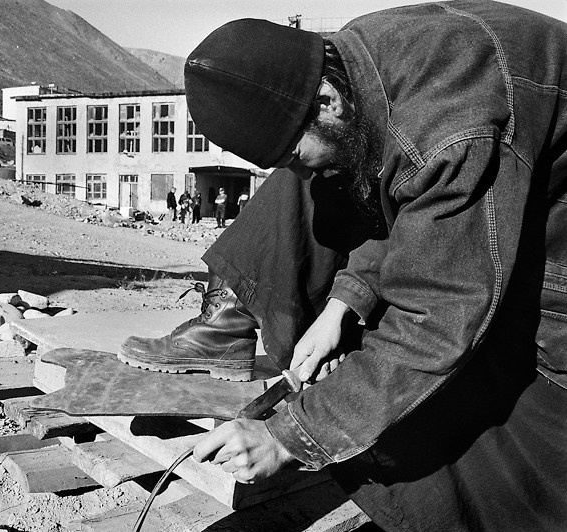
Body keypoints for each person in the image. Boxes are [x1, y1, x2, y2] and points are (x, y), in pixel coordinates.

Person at [118, 4, 567, 531]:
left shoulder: (449, 129)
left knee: (464, 408)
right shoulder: (351, 64)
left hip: (551, 248)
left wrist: (291, 437)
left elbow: (437, 316)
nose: (299, 169)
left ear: (327, 101)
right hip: (499, 186)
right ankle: (230, 320)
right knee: (316, 184)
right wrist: (343, 303)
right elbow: (405, 198)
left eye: (294, 151)